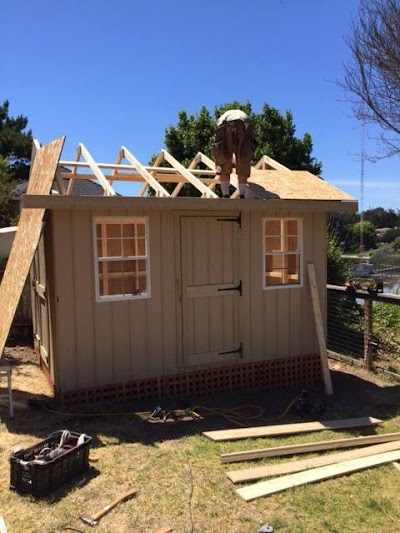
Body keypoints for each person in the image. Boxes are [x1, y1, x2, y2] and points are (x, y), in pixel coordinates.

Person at [213, 109, 256, 199]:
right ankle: (242, 195)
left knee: (223, 162)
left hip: (224, 122)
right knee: (243, 160)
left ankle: (225, 195)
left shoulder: (224, 116)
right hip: (244, 122)